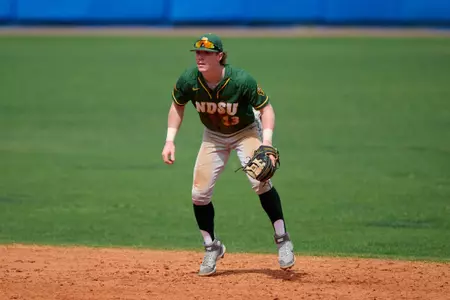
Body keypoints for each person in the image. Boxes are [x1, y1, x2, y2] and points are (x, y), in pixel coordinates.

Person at [161, 33, 295, 276]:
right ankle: (212, 247)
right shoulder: (189, 80)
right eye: (198, 53)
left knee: (260, 181)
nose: (200, 57)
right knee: (199, 194)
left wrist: (266, 144)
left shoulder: (240, 80)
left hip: (245, 132)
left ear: (219, 56)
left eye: (207, 53)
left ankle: (282, 239)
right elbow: (177, 106)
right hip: (213, 136)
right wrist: (170, 141)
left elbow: (266, 109)